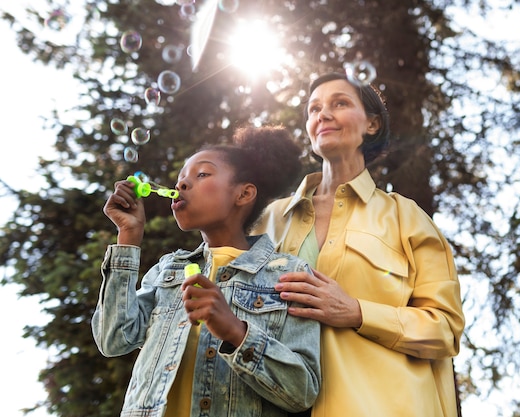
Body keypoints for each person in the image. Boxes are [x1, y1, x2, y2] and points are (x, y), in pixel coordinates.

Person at [253, 72, 465, 417]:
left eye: (340, 103)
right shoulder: (267, 219)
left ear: (372, 124)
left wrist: (356, 311)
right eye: (314, 108)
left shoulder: (406, 217)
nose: (323, 114)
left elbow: (444, 329)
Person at [92, 125, 321, 417]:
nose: (183, 184)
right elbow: (114, 339)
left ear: (244, 193)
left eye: (202, 174)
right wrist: (128, 235)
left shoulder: (288, 275)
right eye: (180, 179)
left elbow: (302, 392)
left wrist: (236, 332)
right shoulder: (168, 270)